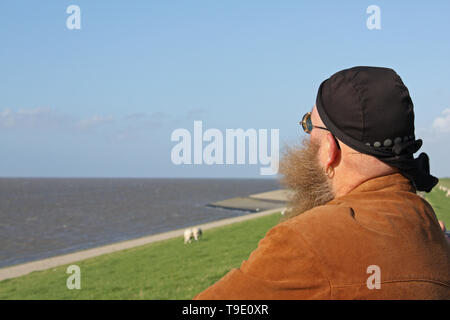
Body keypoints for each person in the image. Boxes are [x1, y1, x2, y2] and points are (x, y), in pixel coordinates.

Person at [194, 66, 450, 299]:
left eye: (309, 125)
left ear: (330, 148)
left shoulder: (304, 241)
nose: (306, 140)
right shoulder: (436, 235)